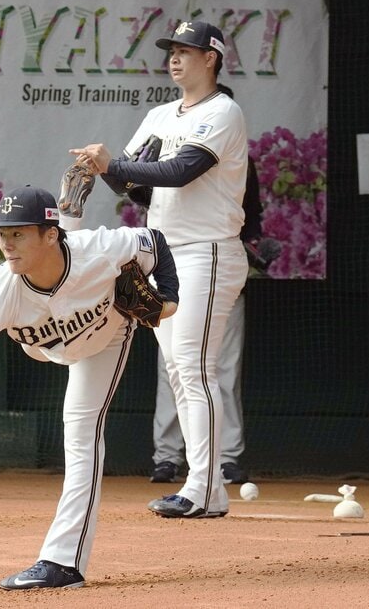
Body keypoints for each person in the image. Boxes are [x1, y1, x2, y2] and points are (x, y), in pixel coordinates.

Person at [0, 185, 179, 589]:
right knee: (42, 327)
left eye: (18, 233)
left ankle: (63, 563)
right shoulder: (2, 287)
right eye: (2, 234)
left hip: (104, 337)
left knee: (80, 434)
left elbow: (156, 243)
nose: (6, 243)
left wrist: (169, 302)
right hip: (43, 346)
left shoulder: (103, 249)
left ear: (49, 234)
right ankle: (67, 205)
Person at [70, 20, 249, 518]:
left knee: (193, 367)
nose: (174, 57)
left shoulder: (223, 112)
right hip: (165, 253)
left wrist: (115, 166)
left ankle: (204, 486)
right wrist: (103, 171)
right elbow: (139, 188)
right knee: (179, 370)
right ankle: (206, 488)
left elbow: (180, 170)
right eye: (171, 49)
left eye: (185, 50)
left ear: (210, 57)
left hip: (208, 250)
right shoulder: (159, 114)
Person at [150, 85, 262, 485]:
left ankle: (219, 466)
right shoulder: (168, 137)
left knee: (207, 368)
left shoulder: (231, 147)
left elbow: (252, 221)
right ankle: (171, 458)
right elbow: (148, 189)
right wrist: (118, 172)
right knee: (179, 367)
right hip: (173, 261)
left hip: (215, 265)